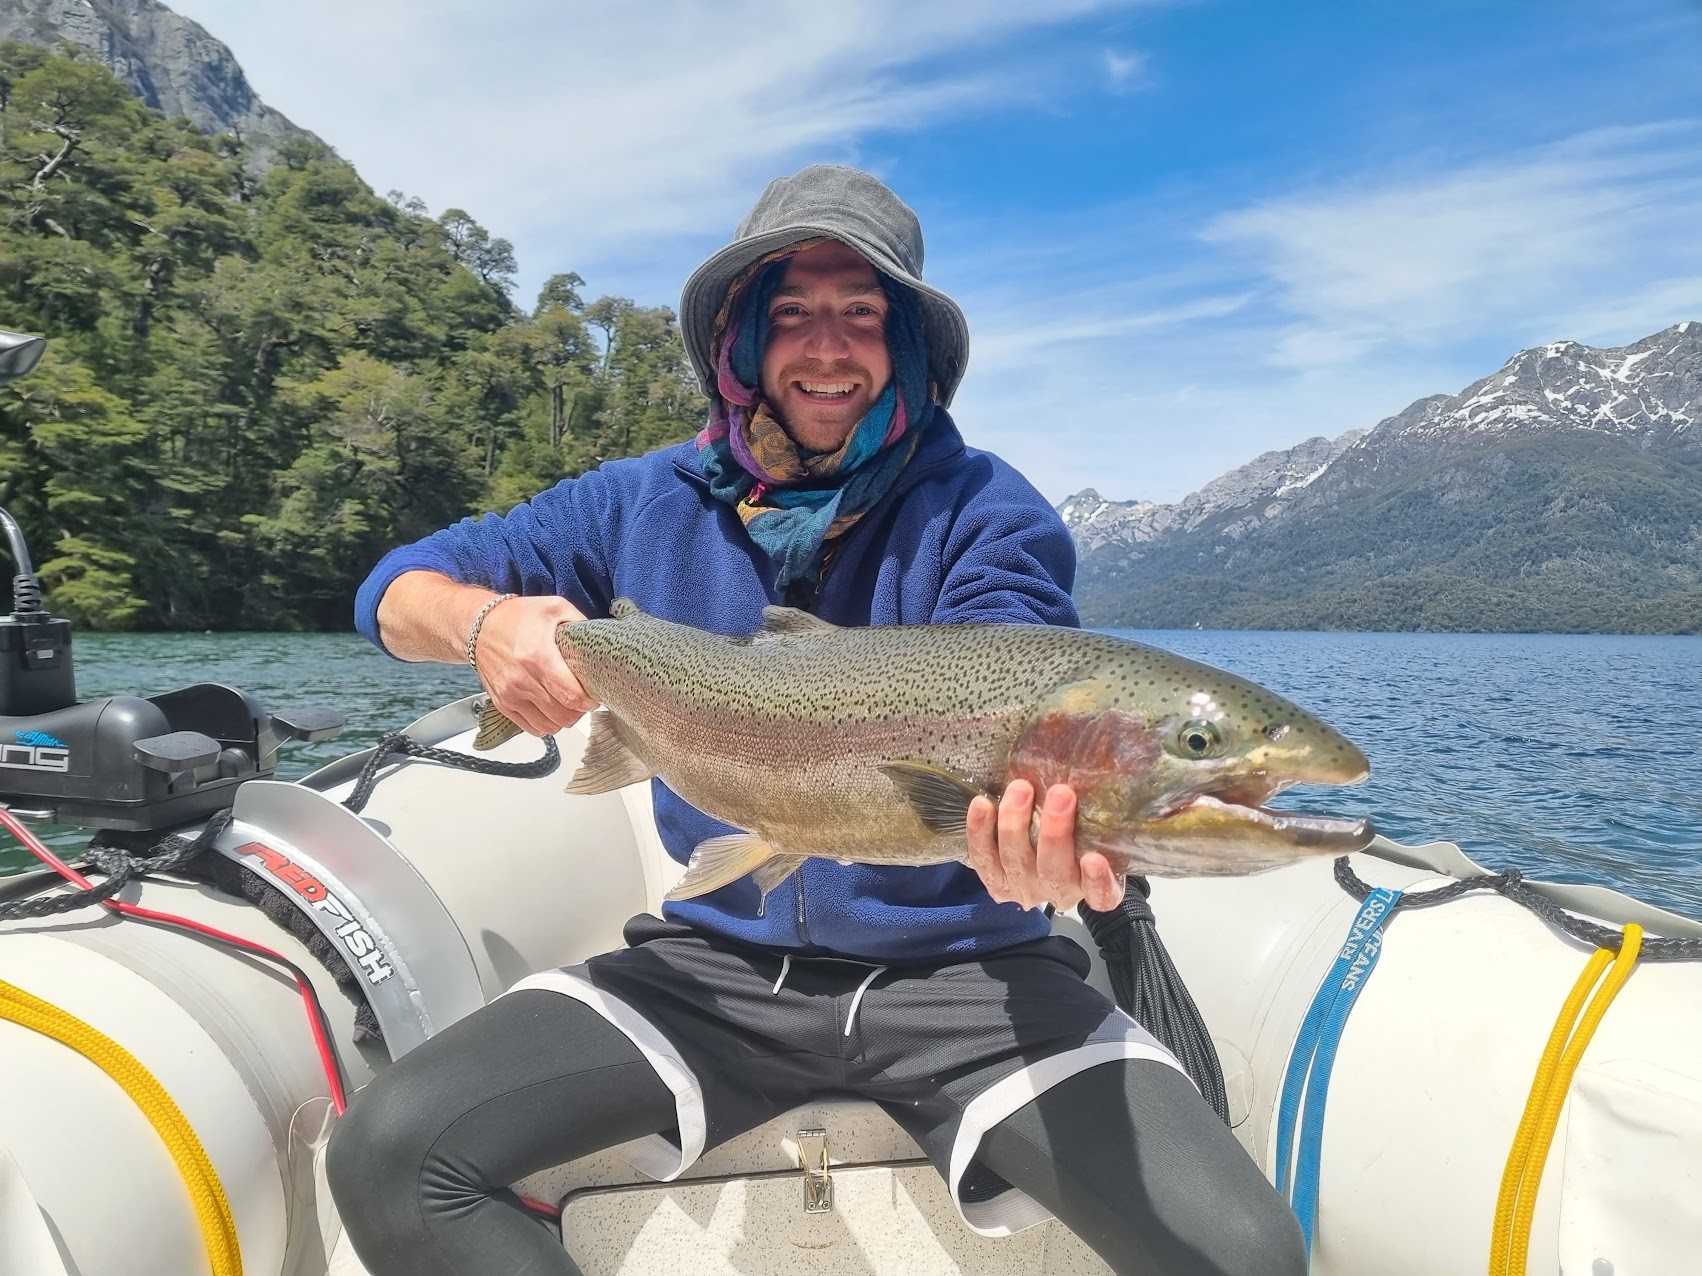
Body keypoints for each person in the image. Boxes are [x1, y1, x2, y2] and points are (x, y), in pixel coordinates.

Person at [328, 164, 1306, 1276]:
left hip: (971, 981)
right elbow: (395, 591)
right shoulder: (633, 502)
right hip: (715, 967)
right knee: (392, 1152)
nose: (826, 346)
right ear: (740, 342)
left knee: (1243, 1255)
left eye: (861, 313)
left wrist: (1045, 839)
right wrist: (485, 622)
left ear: (910, 349)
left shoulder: (986, 514)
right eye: (791, 313)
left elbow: (1013, 660)